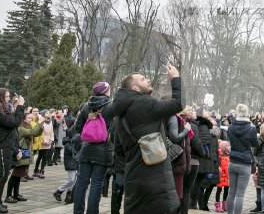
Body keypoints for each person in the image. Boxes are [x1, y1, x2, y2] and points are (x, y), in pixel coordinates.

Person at [113, 66, 183, 213]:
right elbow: (178, 104)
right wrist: (175, 78)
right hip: (155, 180)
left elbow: (119, 150)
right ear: (135, 88)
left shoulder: (120, 115)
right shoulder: (145, 103)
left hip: (133, 179)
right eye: (143, 79)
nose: (148, 80)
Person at [73, 81, 115, 214]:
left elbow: (78, 127)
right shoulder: (111, 106)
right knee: (96, 184)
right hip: (103, 149)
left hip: (87, 149)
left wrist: (89, 134)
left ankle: (77, 211)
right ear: (106, 91)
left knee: (81, 183)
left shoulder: (86, 106)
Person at [225, 103, 259, 214]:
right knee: (240, 194)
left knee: (231, 192)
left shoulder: (230, 127)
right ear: (247, 113)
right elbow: (256, 144)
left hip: (233, 161)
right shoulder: (252, 128)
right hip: (245, 163)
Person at [54, 125, 78, 203]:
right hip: (70, 164)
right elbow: (74, 152)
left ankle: (69, 194)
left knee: (74, 180)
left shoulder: (72, 142)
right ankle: (59, 191)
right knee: (71, 179)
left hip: (74, 163)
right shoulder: (68, 143)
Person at [215, 140, 230, 212]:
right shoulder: (219, 155)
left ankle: (224, 204)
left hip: (227, 176)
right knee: (219, 190)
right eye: (227, 146)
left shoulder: (228, 154)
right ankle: (217, 205)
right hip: (221, 175)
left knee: (226, 190)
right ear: (223, 147)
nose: (229, 147)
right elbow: (217, 164)